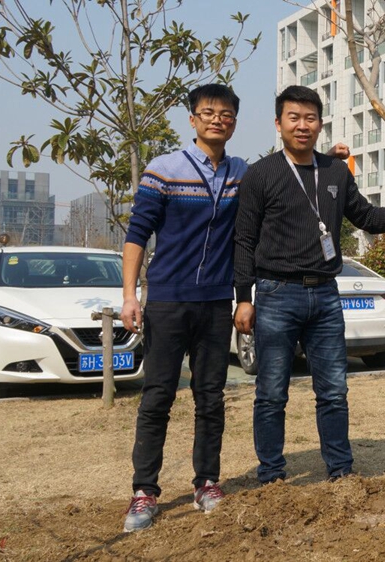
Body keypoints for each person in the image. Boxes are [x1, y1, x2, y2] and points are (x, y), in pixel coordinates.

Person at [233, 85, 385, 484]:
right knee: (271, 392)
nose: (302, 125)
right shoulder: (260, 174)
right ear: (279, 124)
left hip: (326, 295)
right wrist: (244, 297)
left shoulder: (335, 172)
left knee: (333, 391)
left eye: (310, 118)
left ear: (320, 124)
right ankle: (271, 475)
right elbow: (244, 240)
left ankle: (341, 472)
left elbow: (368, 217)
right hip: (276, 294)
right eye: (294, 118)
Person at [120, 84, 247, 533]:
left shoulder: (241, 173)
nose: (217, 119)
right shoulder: (164, 169)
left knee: (210, 397)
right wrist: (130, 295)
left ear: (234, 122)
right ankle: (144, 491)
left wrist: (330, 157)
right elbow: (137, 234)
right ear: (192, 119)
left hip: (215, 302)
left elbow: (282, 178)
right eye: (208, 112)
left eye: (226, 114)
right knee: (158, 396)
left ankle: (207, 482)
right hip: (168, 300)